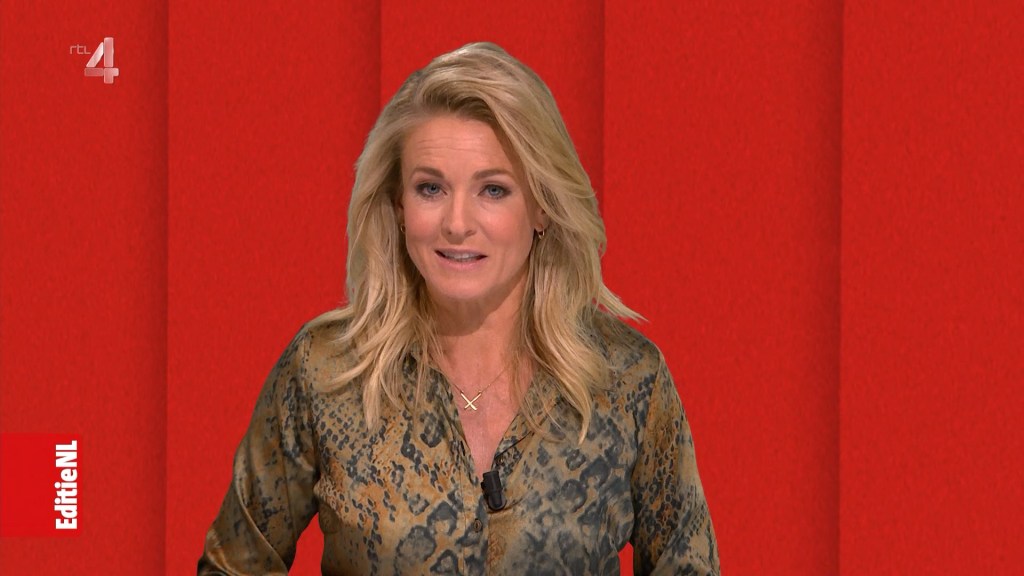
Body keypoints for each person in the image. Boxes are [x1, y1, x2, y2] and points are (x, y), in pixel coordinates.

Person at [198, 42, 718, 575]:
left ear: (542, 207)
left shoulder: (627, 380)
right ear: (399, 205)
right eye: (431, 188)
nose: (457, 223)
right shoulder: (327, 370)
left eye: (493, 190)